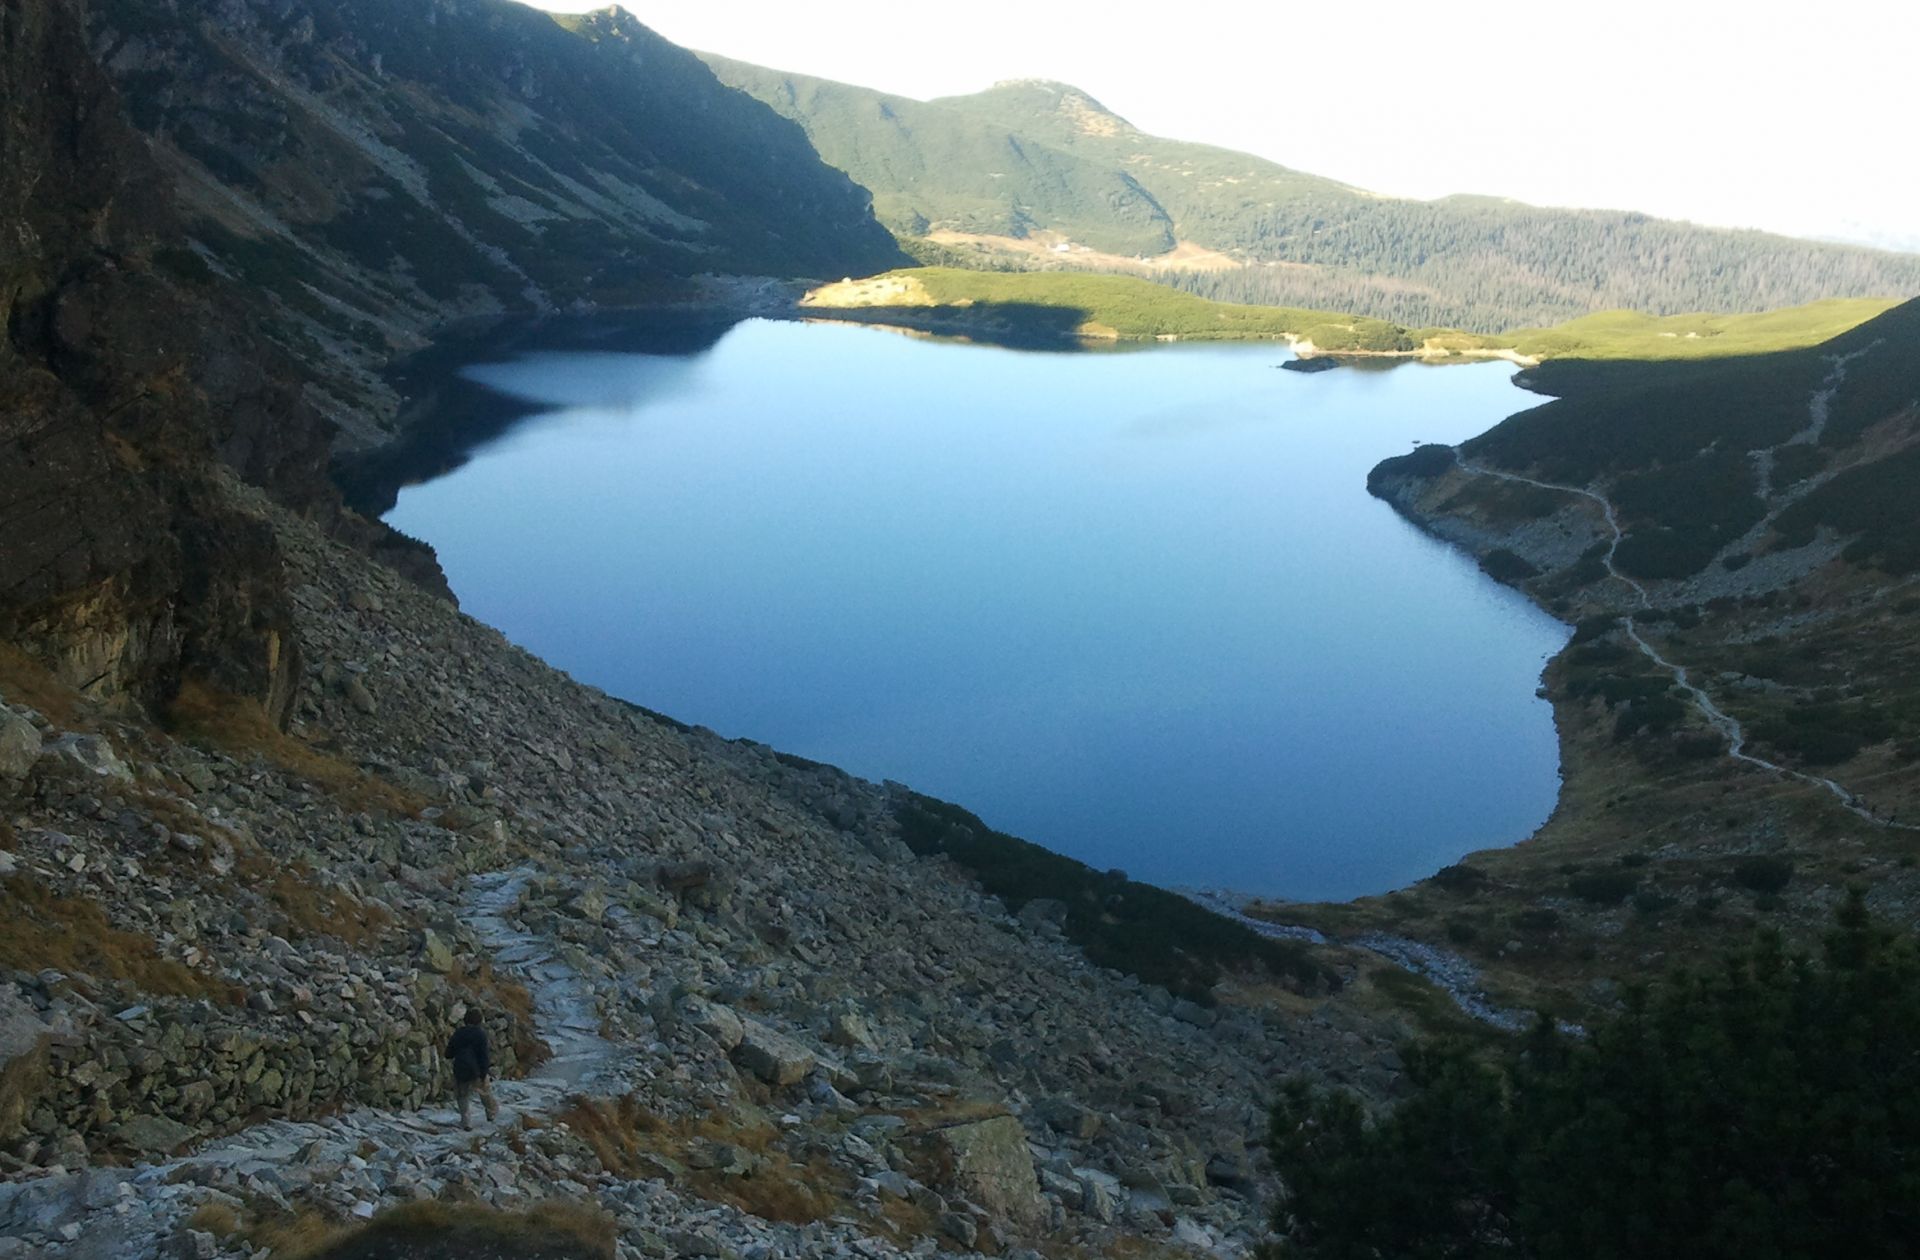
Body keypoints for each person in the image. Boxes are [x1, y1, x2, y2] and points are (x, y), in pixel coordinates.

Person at [446, 1008, 498, 1128]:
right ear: (479, 1021)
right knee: (485, 1092)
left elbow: (448, 1053)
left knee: (462, 1096)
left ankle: (466, 1122)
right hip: (477, 1070)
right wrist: (484, 1073)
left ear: (465, 1020)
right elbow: (483, 1055)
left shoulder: (459, 1033)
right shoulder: (480, 1034)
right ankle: (491, 1114)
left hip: (461, 1069)